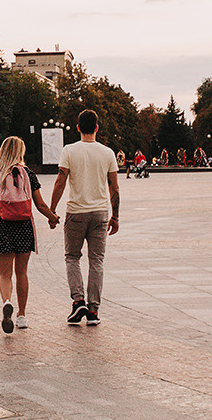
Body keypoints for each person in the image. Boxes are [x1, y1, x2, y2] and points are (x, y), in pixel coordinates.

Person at [50, 109, 120, 326]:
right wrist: (115, 216)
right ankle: (93, 311)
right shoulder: (108, 153)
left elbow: (60, 182)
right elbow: (114, 187)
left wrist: (52, 211)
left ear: (78, 128)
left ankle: (77, 300)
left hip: (76, 213)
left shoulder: (69, 150)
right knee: (96, 260)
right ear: (97, 128)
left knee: (72, 257)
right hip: (100, 213)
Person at [0, 136, 58, 333]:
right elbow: (39, 204)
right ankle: (22, 316)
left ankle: (7, 301)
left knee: (4, 274)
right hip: (24, 226)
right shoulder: (29, 174)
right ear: (19, 152)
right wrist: (52, 217)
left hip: (3, 226)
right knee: (22, 272)